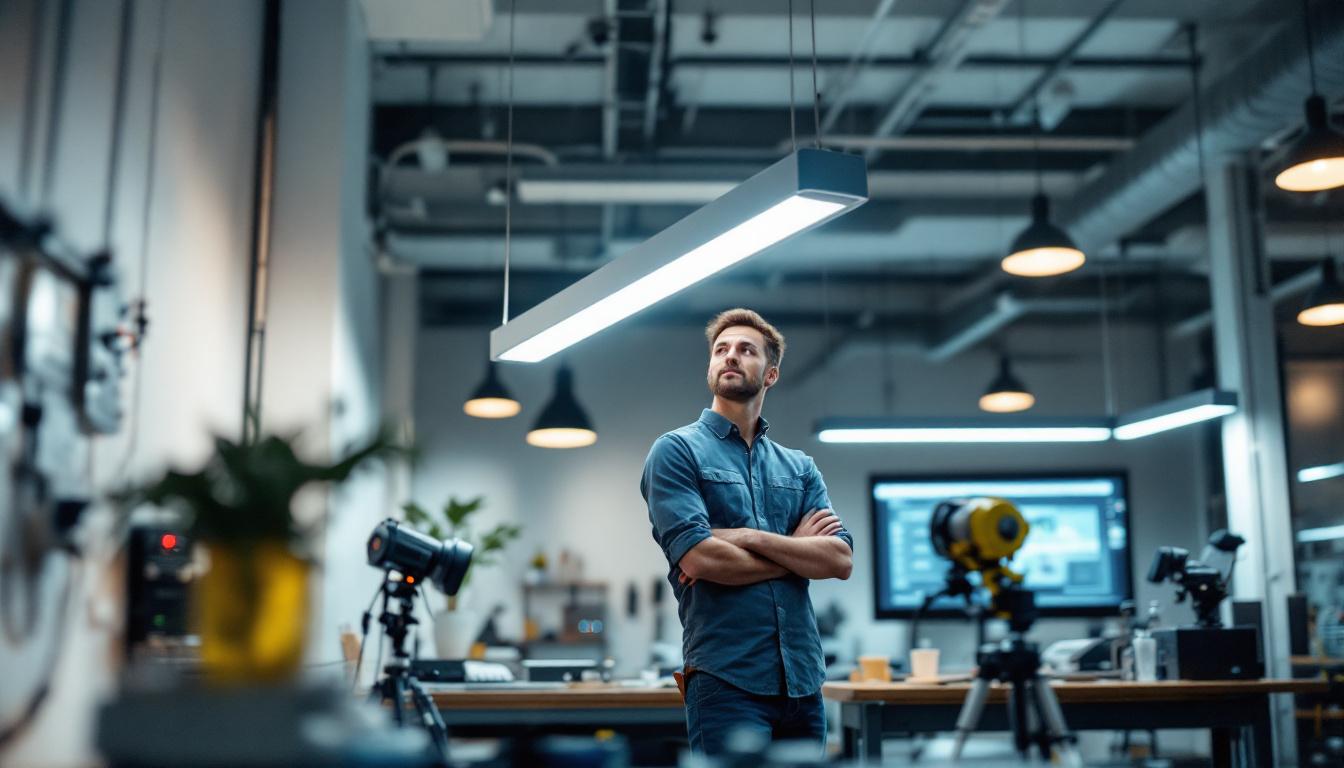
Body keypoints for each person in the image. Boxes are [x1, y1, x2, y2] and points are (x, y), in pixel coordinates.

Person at [640, 308, 853, 755]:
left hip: (803, 682)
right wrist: (796, 553)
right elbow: (701, 558)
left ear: (770, 374)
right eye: (721, 350)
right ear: (710, 368)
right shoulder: (676, 451)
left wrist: (747, 537)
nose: (730, 356)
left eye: (746, 350)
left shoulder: (799, 467)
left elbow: (838, 559)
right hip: (725, 680)